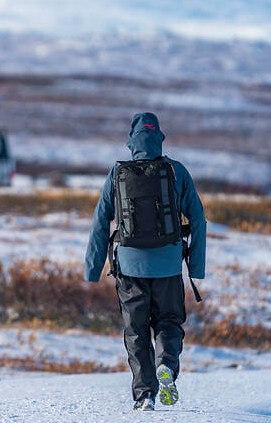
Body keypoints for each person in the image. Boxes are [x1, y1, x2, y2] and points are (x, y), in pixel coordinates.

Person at [84, 112, 206, 411]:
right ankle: (166, 365)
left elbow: (101, 222)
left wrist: (92, 269)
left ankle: (145, 395)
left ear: (130, 142)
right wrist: (196, 266)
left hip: (129, 267)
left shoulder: (118, 174)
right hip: (167, 264)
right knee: (168, 321)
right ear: (159, 139)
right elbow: (199, 220)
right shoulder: (177, 172)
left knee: (136, 330)